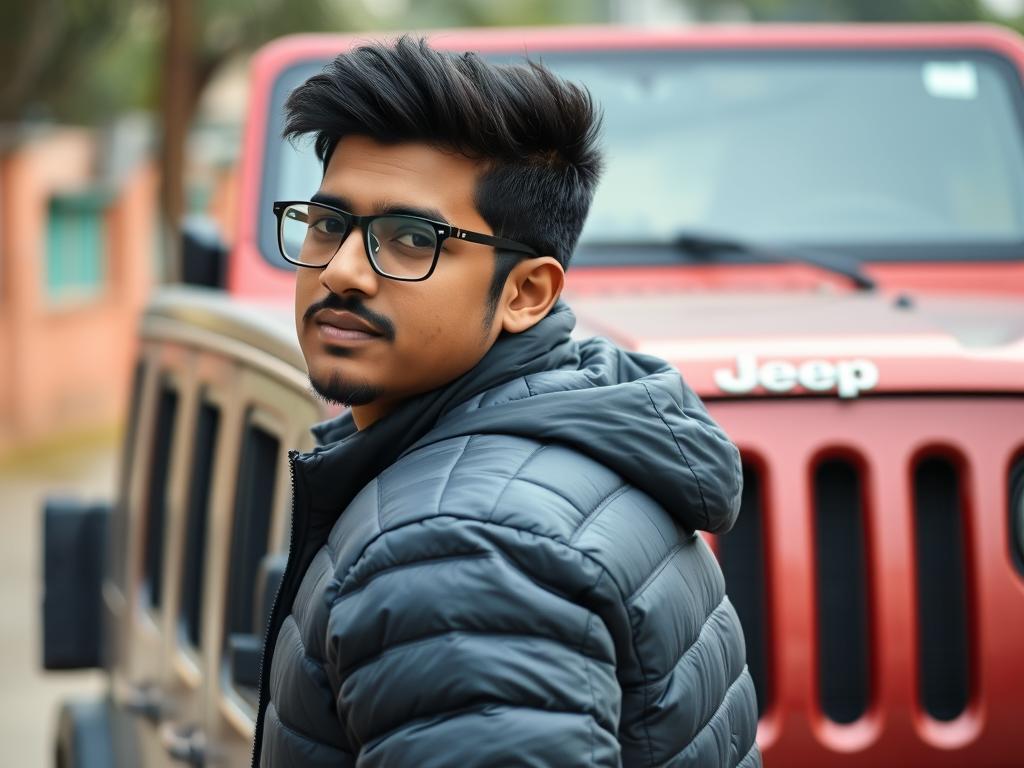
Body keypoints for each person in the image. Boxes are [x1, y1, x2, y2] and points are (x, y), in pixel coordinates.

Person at [252, 36, 761, 768]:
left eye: (408, 239)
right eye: (329, 224)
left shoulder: (454, 554)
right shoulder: (573, 433)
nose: (342, 271)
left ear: (525, 293)